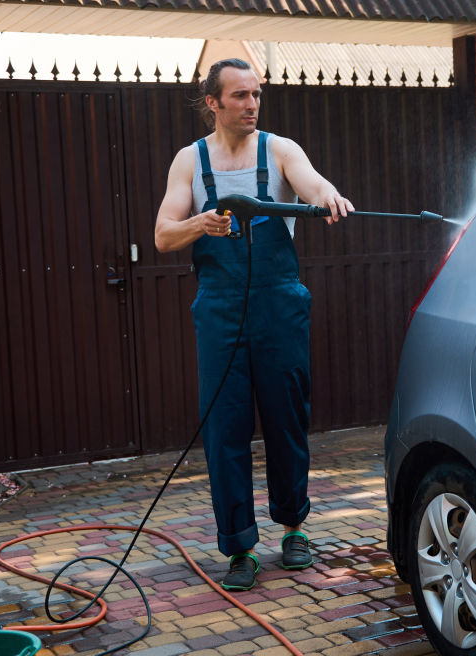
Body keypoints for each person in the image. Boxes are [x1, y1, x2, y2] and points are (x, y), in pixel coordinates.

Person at [153, 58, 355, 591]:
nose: (252, 104)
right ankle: (239, 546)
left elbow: (312, 185)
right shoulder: (189, 162)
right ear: (213, 103)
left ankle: (293, 528)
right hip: (219, 314)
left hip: (278, 310)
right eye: (240, 96)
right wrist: (202, 222)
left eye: (257, 94)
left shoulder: (280, 150)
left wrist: (328, 197)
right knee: (226, 430)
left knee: (287, 420)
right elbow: (162, 235)